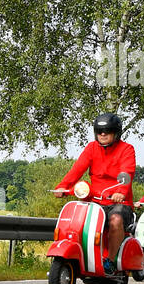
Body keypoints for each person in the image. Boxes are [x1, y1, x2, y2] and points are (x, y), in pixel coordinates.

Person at [53, 113, 136, 272]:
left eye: (107, 131)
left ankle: (110, 261)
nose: (103, 134)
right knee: (76, 222)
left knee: (116, 220)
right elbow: (77, 169)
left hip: (118, 202)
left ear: (116, 132)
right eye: (99, 131)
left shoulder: (126, 149)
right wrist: (63, 186)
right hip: (95, 201)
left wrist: (121, 191)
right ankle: (80, 256)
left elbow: (127, 172)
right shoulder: (92, 148)